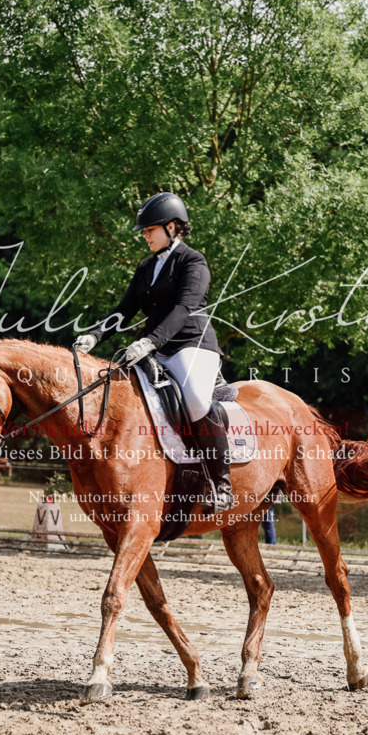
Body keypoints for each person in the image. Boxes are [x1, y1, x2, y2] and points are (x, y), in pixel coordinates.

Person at [74, 192, 234, 515]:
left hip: (193, 347)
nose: (145, 236)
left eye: (150, 230)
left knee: (195, 399)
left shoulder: (193, 261)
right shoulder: (146, 266)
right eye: (145, 231)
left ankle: (221, 483)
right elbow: (125, 310)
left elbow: (184, 309)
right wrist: (94, 336)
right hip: (155, 350)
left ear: (172, 227)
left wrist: (150, 342)